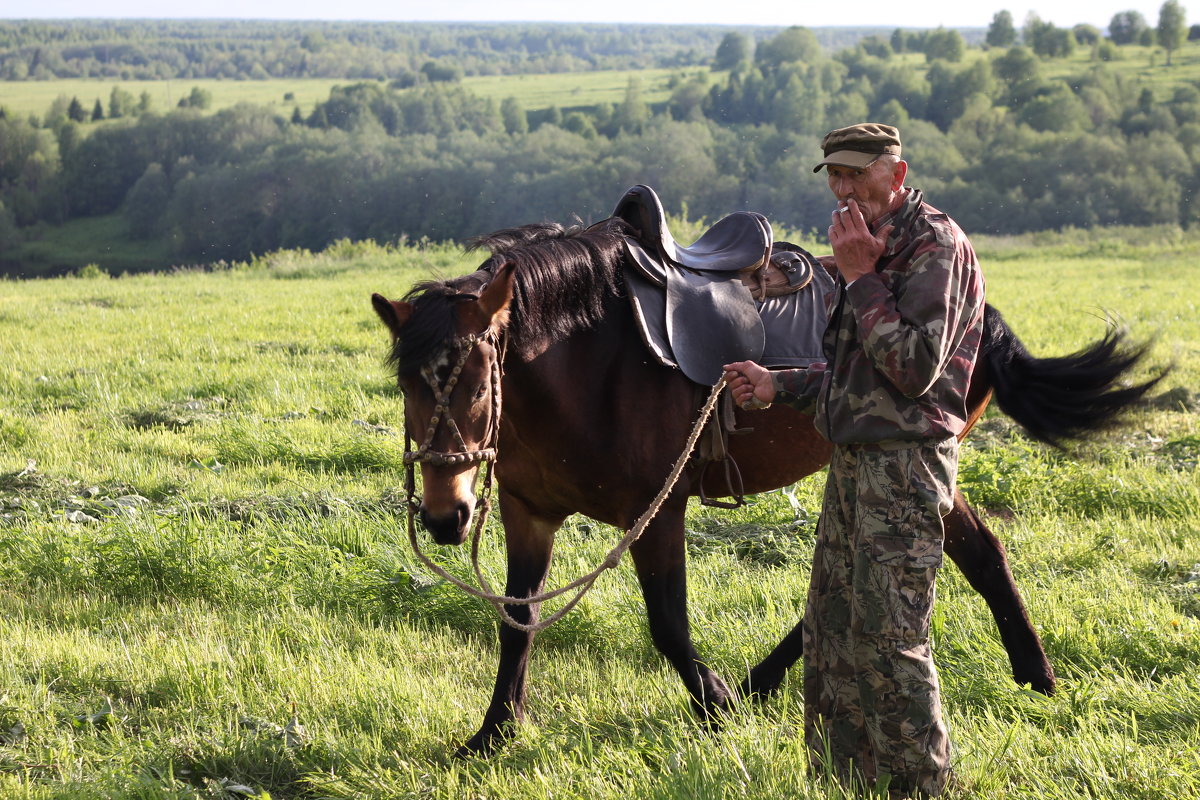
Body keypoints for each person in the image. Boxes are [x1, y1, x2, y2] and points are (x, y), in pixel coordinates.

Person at [724, 122, 985, 798]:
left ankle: (921, 787)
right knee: (833, 635)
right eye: (833, 177)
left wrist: (862, 277)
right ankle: (842, 782)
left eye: (854, 176)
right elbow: (856, 371)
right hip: (853, 465)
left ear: (895, 176)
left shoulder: (935, 248)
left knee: (891, 641)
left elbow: (913, 371)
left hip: (905, 471)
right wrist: (782, 383)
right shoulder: (871, 243)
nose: (841, 190)